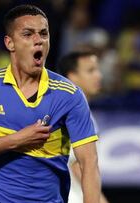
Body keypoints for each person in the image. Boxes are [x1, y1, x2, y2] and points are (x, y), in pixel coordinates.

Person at [0, 5, 100, 203]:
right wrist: (17, 139)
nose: (38, 40)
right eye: (28, 34)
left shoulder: (70, 95)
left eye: (43, 34)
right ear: (10, 43)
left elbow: (89, 165)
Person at [57, 51, 109, 203]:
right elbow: (78, 165)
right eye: (90, 70)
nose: (98, 76)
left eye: (97, 70)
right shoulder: (77, 115)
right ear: (72, 76)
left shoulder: (64, 110)